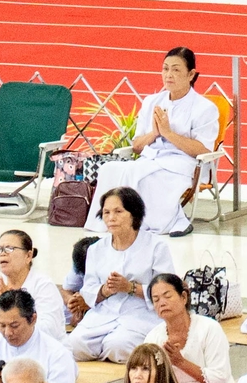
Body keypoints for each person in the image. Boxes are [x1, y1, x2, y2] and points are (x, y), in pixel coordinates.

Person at [81, 47, 222, 236]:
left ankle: (144, 224)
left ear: (191, 74)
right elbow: (138, 146)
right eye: (165, 69)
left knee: (141, 174)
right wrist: (155, 133)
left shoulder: (205, 108)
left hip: (183, 164)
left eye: (176, 70)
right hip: (150, 158)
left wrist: (168, 133)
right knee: (109, 169)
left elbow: (203, 150)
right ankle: (107, 223)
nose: (168, 75)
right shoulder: (151, 101)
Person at [72, 189, 176, 361]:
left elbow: (167, 288)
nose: (111, 218)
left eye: (118, 212)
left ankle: (108, 349)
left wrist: (130, 287)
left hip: (141, 312)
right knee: (75, 345)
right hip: (104, 312)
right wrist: (105, 290)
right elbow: (88, 288)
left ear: (134, 214)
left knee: (118, 345)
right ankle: (102, 348)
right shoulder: (96, 249)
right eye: (106, 212)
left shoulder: (156, 246)